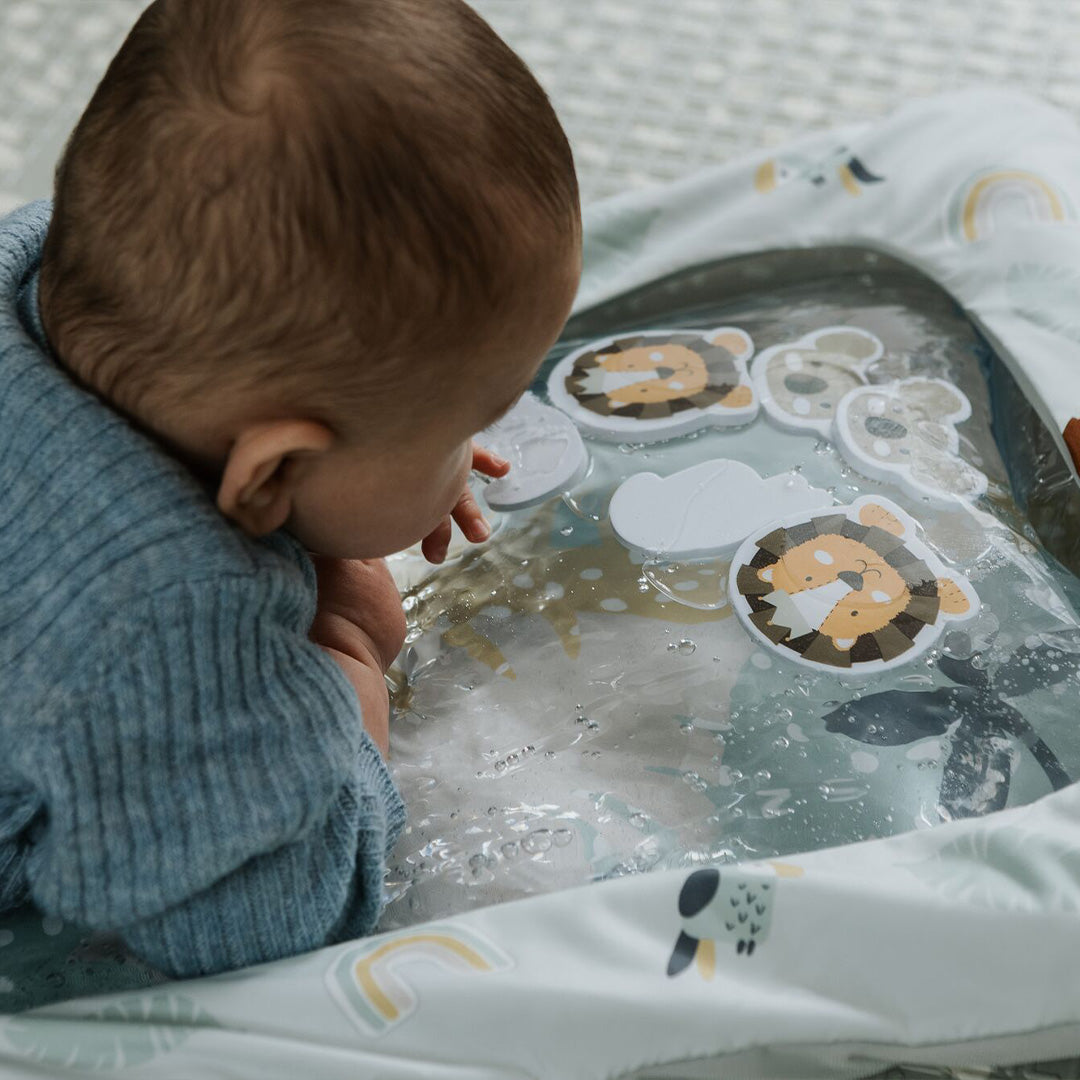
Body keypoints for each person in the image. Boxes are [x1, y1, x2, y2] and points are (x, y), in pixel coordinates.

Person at [0, 0, 581, 978]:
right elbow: (253, 924)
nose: (481, 452)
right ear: (267, 474)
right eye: (456, 432)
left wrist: (387, 467)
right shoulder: (174, 627)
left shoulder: (42, 256)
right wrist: (346, 667)